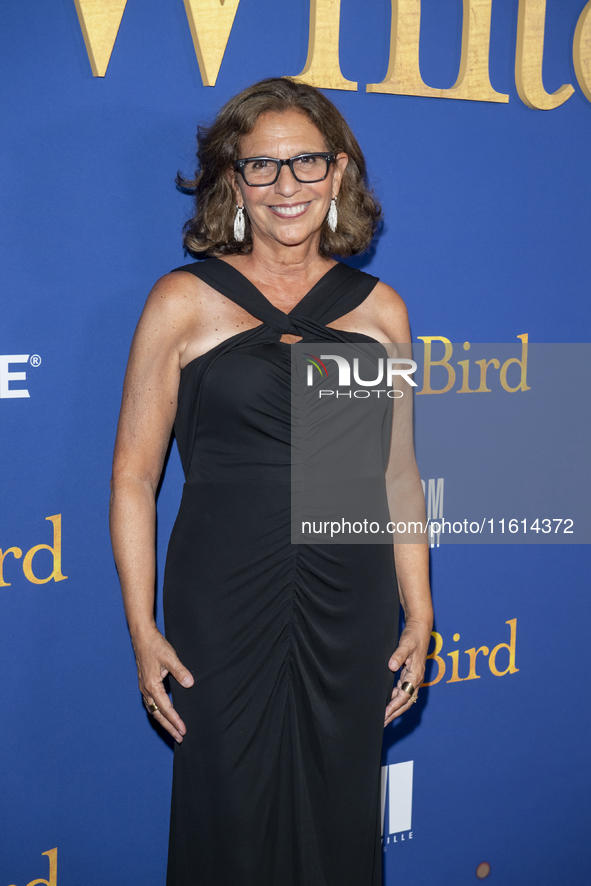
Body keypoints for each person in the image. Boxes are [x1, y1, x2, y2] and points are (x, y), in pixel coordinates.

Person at [109, 77, 433, 886]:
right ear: (232, 182)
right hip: (223, 595)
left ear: (339, 172)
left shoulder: (376, 310)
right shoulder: (183, 301)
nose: (286, 186)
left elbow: (394, 473)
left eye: (305, 163)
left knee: (338, 800)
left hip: (346, 592)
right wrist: (141, 628)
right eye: (262, 167)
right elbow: (132, 477)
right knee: (230, 803)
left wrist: (419, 610)